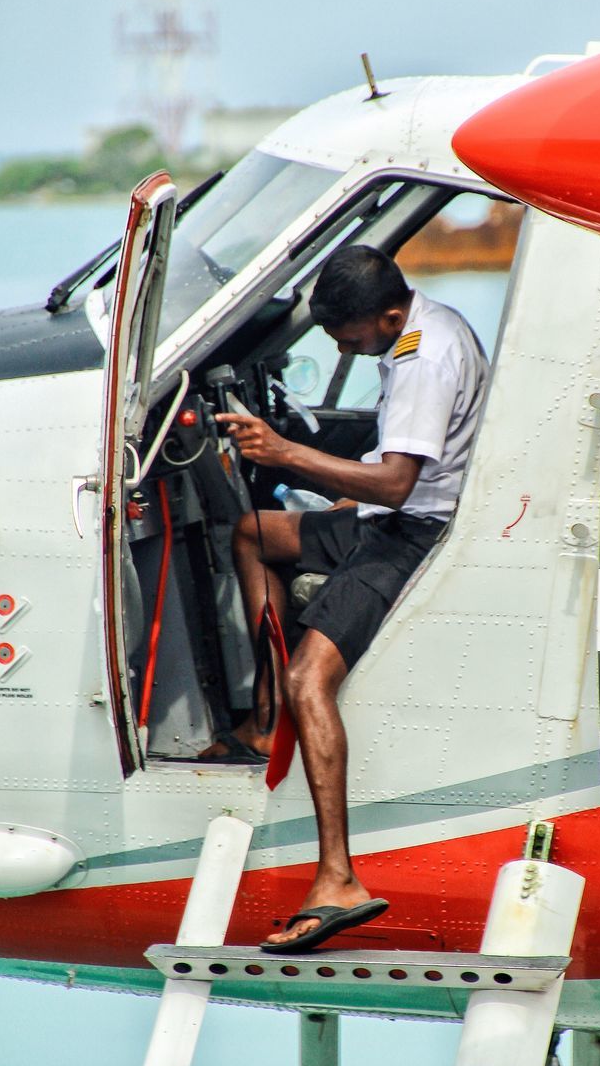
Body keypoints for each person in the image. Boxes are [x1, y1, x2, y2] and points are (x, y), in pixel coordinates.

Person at [206, 244, 489, 952]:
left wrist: (286, 454)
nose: (342, 347)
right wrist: (337, 483)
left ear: (389, 315)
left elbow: (396, 484)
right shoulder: (422, 326)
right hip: (382, 516)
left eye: (348, 337)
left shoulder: (424, 358)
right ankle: (266, 720)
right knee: (252, 533)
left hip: (407, 534)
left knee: (312, 679)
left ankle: (337, 877)